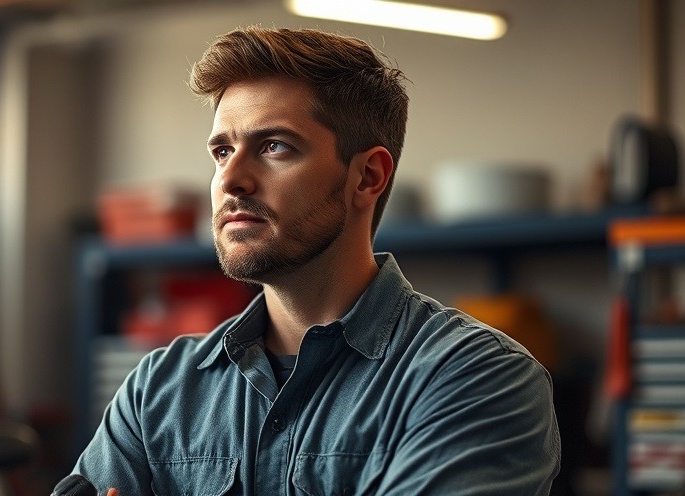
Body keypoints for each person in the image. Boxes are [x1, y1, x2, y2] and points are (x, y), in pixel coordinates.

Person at [60, 26, 561, 495]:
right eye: (221, 151)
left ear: (367, 177)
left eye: (274, 146)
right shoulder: (160, 390)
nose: (231, 180)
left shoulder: (477, 380)